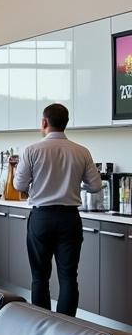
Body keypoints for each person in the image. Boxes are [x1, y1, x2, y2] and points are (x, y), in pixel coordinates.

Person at [13, 102, 102, 316]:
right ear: (66, 124)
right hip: (70, 218)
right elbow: (96, 186)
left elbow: (18, 185)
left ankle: (42, 324)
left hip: (41, 218)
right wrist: (72, 183)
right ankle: (68, 328)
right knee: (69, 276)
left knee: (39, 276)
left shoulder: (32, 150)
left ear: (44, 122)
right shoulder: (82, 151)